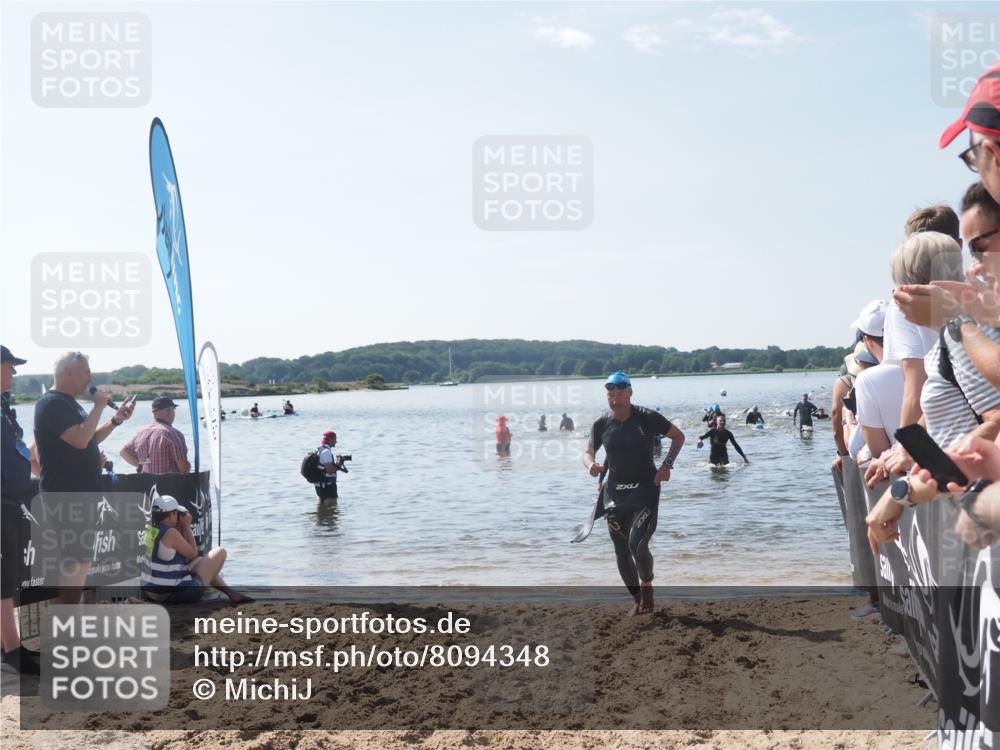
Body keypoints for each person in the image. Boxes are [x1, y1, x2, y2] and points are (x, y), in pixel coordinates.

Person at [34, 352, 136, 604]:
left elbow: (89, 437)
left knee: (79, 564)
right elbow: (80, 440)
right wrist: (99, 406)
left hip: (80, 496)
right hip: (65, 497)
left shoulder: (69, 403)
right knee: (74, 565)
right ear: (69, 372)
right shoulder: (51, 403)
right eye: (86, 371)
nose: (90, 377)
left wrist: (115, 420)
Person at [582, 371, 685, 616]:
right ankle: (637, 599)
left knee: (637, 543)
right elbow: (588, 452)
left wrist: (666, 466)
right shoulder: (601, 423)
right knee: (620, 549)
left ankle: (647, 585)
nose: (615, 398)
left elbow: (678, 437)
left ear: (630, 392)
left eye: (620, 393)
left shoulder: (647, 418)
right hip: (614, 493)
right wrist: (591, 466)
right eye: (611, 394)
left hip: (645, 490)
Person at [0, 346, 38, 675]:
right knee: (4, 578)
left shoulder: (5, 408)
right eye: (10, 366)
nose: (14, 373)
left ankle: (8, 647)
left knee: (8, 576)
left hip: (11, 502)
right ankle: (12, 651)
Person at [140, 494, 250, 604]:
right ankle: (231, 594)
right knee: (220, 552)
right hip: (173, 595)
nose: (178, 516)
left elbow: (176, 559)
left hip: (153, 593)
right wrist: (187, 527)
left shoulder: (150, 530)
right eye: (176, 513)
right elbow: (192, 553)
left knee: (200, 561)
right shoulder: (171, 533)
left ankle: (231, 593)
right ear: (170, 515)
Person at [120, 397, 190, 474]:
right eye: (173, 409)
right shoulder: (173, 434)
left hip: (147, 484)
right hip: (169, 484)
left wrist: (141, 467)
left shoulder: (141, 432)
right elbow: (183, 468)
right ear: (168, 411)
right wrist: (188, 466)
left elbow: (124, 452)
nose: (174, 413)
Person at [315, 430, 348, 502]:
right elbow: (329, 471)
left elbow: (323, 467)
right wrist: (339, 463)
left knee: (322, 511)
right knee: (332, 511)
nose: (336, 442)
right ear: (330, 440)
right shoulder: (326, 452)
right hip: (328, 486)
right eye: (335, 439)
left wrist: (336, 463)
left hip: (319, 486)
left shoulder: (318, 450)